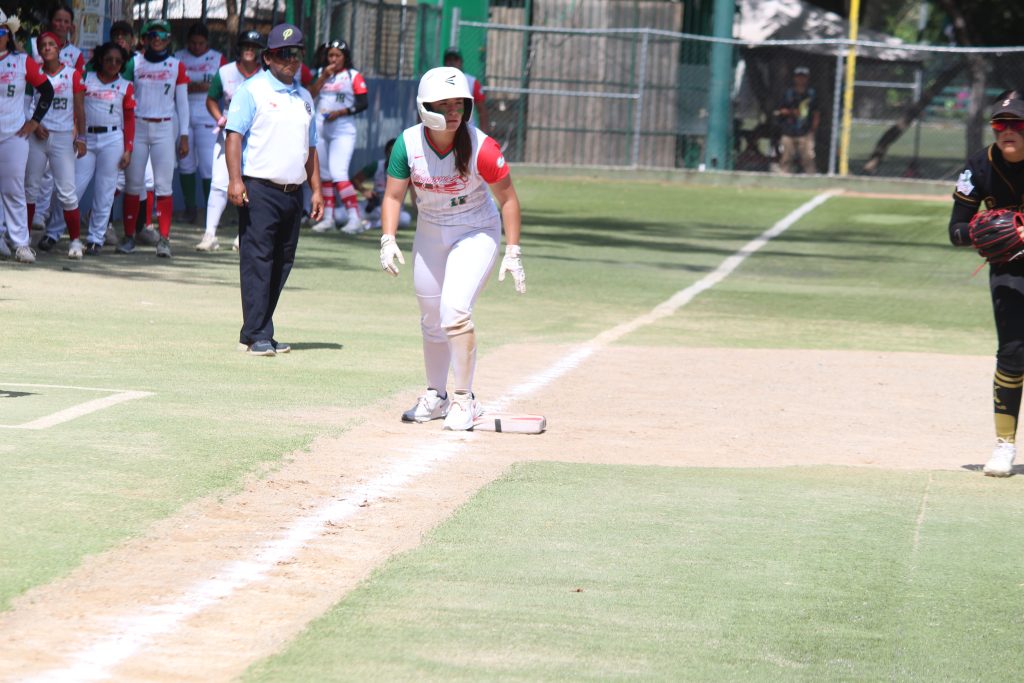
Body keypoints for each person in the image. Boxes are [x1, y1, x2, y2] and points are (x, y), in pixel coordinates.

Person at [379, 66, 525, 430]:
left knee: (455, 312)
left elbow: (508, 200)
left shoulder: (482, 147)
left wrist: (513, 251)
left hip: (475, 230)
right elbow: (393, 196)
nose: (454, 111)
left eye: (458, 103)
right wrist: (388, 238)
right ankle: (437, 396)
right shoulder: (408, 144)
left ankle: (464, 399)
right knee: (431, 318)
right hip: (431, 229)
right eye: (444, 105)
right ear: (425, 108)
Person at [225, 22, 324, 357]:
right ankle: (257, 334)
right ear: (267, 57)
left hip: (293, 191)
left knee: (282, 261)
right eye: (283, 54)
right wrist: (235, 180)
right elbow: (234, 136)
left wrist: (316, 190)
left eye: (296, 53)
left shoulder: (305, 97)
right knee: (258, 260)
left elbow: (311, 148)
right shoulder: (251, 91)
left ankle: (257, 330)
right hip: (259, 188)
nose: (290, 60)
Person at [949, 95, 1024, 477]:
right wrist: (982, 229)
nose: (1008, 130)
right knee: (1012, 352)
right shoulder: (979, 166)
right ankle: (1004, 445)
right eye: (1000, 124)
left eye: (1017, 124)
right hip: (1010, 270)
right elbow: (955, 231)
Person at [117, 19, 189, 258]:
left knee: (164, 186)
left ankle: (164, 239)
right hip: (138, 126)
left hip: (164, 128)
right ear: (145, 39)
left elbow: (182, 103)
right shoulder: (134, 62)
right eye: (152, 35)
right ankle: (129, 236)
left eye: (162, 35)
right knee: (133, 183)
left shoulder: (176, 65)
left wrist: (184, 135)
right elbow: (123, 95)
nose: (157, 39)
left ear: (169, 39)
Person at [199, 30, 264, 252]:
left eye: (254, 47)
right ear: (240, 48)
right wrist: (219, 118)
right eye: (246, 45)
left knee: (252, 184)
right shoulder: (226, 71)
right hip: (228, 133)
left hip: (256, 136)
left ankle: (243, 236)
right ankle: (209, 234)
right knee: (218, 183)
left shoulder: (265, 75)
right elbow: (211, 99)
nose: (249, 50)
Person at [24, 31, 86, 259]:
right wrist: (35, 125)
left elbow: (80, 108)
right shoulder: (34, 74)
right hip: (37, 137)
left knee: (67, 192)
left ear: (59, 48)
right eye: (43, 45)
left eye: (52, 44)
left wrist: (82, 138)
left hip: (62, 137)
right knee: (30, 189)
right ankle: (24, 240)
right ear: (39, 51)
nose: (47, 48)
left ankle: (76, 241)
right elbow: (26, 105)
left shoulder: (72, 74)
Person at [0, 8, 53, 263]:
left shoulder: (22, 61)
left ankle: (21, 243)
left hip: (14, 134)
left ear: (8, 34)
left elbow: (47, 91)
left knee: (13, 188)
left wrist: (34, 121)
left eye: (0, 32)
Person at [74, 42, 135, 255]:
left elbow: (129, 120)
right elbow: (76, 107)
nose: (113, 64)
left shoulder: (126, 85)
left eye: (118, 61)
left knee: (105, 191)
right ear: (100, 59)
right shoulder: (86, 78)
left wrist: (128, 149)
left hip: (112, 138)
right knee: (73, 187)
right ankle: (54, 232)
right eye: (109, 59)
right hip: (86, 138)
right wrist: (76, 134)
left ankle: (95, 238)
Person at [307, 39, 367, 234]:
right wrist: (323, 77)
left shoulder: (352, 75)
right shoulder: (320, 73)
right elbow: (309, 95)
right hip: (320, 128)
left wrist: (341, 112)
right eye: (330, 55)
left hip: (342, 129)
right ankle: (328, 218)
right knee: (324, 175)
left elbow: (363, 103)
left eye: (337, 55)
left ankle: (354, 218)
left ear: (345, 57)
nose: (333, 59)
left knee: (339, 173)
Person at [175, 23, 226, 225]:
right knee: (185, 163)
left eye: (201, 43)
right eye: (193, 43)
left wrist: (204, 87)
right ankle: (190, 209)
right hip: (182, 115)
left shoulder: (217, 58)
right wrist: (196, 86)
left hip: (207, 116)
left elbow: (225, 85)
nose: (196, 47)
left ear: (207, 42)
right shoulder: (178, 57)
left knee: (208, 165)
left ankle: (210, 211)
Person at [352, 137, 410, 232]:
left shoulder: (408, 170)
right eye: (391, 152)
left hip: (394, 209)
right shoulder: (376, 166)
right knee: (346, 215)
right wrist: (364, 190)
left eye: (398, 153)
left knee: (405, 219)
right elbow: (355, 180)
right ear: (386, 153)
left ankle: (369, 224)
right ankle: (371, 222)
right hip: (375, 206)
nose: (394, 156)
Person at [773, 66, 819, 175]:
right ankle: (783, 174)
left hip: (805, 131)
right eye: (798, 77)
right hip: (788, 130)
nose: (801, 79)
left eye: (803, 77)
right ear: (794, 78)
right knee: (786, 156)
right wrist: (791, 112)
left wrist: (813, 128)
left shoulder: (811, 94)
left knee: (808, 157)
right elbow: (779, 111)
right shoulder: (788, 93)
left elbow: (816, 112)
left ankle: (811, 175)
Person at [442, 47, 489, 133]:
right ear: (444, 63)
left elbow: (482, 111)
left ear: (461, 62)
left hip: (467, 131)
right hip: (443, 130)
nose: (452, 62)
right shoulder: (437, 81)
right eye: (449, 59)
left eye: (455, 59)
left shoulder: (471, 82)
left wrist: (484, 134)